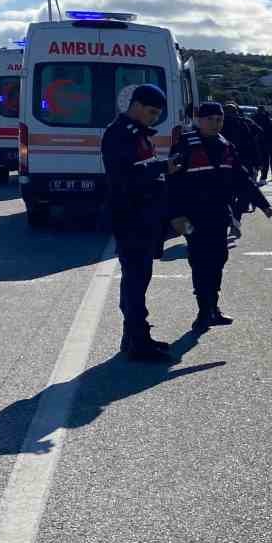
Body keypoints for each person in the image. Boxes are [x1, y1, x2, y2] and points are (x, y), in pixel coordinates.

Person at [171, 102, 272, 330]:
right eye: (211, 119)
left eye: (219, 119)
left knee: (218, 260)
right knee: (199, 262)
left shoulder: (226, 146)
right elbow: (172, 184)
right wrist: (176, 215)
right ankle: (203, 311)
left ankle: (213, 308)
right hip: (192, 217)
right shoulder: (185, 145)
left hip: (219, 215)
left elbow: (242, 179)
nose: (216, 123)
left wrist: (263, 204)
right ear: (199, 120)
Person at [101, 84, 176, 361]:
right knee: (134, 281)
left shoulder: (140, 135)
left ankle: (135, 336)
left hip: (144, 217)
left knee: (139, 280)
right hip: (130, 217)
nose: (154, 118)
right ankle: (137, 342)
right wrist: (161, 167)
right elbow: (125, 177)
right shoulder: (119, 134)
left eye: (157, 114)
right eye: (151, 112)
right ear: (136, 105)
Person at [256, 106, 272, 182]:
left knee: (264, 160)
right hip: (271, 145)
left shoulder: (260, 123)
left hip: (263, 144)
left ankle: (264, 176)